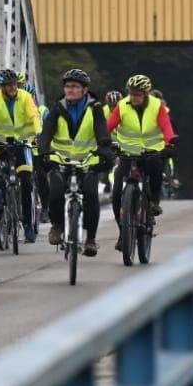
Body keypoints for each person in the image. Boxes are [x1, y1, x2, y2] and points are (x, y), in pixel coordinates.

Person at [37, 68, 113, 256]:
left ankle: (91, 239)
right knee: (55, 193)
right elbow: (46, 132)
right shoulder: (57, 108)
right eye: (67, 86)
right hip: (61, 159)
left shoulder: (95, 108)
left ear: (84, 90)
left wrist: (104, 149)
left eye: (75, 87)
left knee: (91, 196)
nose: (70, 90)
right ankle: (56, 226)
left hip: (86, 160)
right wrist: (44, 151)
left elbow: (101, 131)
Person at [0, 67, 42, 242]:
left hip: (22, 142)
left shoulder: (25, 97)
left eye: (15, 84)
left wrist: (38, 131)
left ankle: (28, 224)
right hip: (0, 141)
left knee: (25, 181)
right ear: (2, 87)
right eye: (9, 85)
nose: (13, 87)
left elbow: (34, 115)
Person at [105, 74, 176, 221]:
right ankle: (122, 232)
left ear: (145, 94)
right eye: (131, 94)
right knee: (117, 187)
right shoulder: (122, 105)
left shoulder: (157, 106)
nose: (133, 98)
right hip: (128, 151)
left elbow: (166, 126)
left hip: (151, 151)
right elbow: (109, 126)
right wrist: (101, 141)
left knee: (155, 166)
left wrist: (170, 141)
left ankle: (154, 202)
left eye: (137, 94)